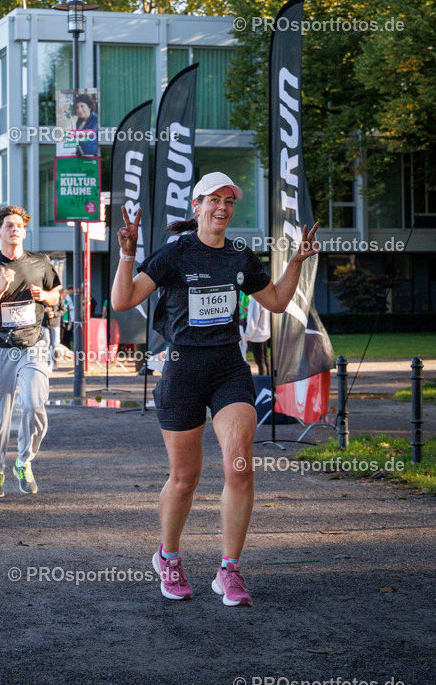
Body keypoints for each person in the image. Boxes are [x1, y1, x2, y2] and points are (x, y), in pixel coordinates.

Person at [111, 171, 320, 607]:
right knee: (185, 478)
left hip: (228, 369)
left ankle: (230, 569)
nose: (222, 207)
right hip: (183, 371)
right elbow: (123, 300)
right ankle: (168, 556)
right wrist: (127, 255)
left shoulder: (240, 257)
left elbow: (277, 302)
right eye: (214, 200)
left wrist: (297, 261)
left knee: (240, 468)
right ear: (197, 206)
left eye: (229, 201)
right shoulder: (174, 255)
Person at [0, 205, 61, 498]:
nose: (15, 229)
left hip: (33, 345)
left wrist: (44, 296)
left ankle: (24, 462)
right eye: (9, 225)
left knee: (35, 405)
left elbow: (56, 295)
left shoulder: (40, 262)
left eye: (19, 225)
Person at [244, 295, 271, 377]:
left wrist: (247, 335)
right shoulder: (265, 297)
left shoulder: (255, 298)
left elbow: (253, 318)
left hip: (257, 335)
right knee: (265, 359)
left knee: (260, 361)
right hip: (265, 332)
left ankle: (263, 383)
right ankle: (268, 381)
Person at [42, 291, 66, 372]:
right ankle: (49, 364)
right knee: (47, 344)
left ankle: (54, 362)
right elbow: (37, 309)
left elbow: (63, 309)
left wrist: (54, 314)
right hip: (44, 323)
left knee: (55, 344)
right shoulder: (42, 295)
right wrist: (44, 310)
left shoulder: (58, 296)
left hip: (55, 324)